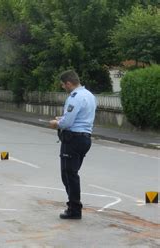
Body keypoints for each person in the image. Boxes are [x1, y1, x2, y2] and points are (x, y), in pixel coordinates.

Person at [49, 70, 96, 219]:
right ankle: (74, 206)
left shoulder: (74, 97)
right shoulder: (89, 95)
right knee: (71, 173)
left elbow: (68, 123)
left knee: (69, 175)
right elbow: (79, 117)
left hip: (73, 139)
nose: (63, 87)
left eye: (63, 85)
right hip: (85, 138)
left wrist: (56, 123)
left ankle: (74, 209)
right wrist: (63, 118)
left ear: (69, 83)